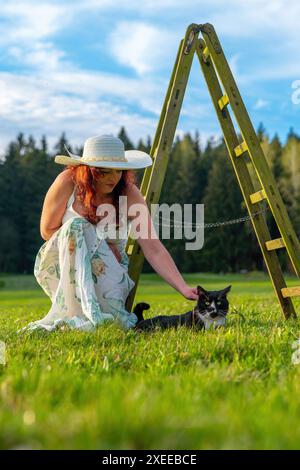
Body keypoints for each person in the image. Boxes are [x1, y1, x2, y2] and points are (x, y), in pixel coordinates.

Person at [20, 134, 199, 333]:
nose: (113, 178)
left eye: (118, 171)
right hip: (64, 265)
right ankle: (77, 315)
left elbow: (153, 247)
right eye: (104, 171)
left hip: (108, 272)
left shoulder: (128, 193)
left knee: (85, 234)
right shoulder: (67, 182)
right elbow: (47, 232)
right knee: (77, 225)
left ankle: (96, 317)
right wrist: (95, 240)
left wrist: (183, 287)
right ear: (88, 171)